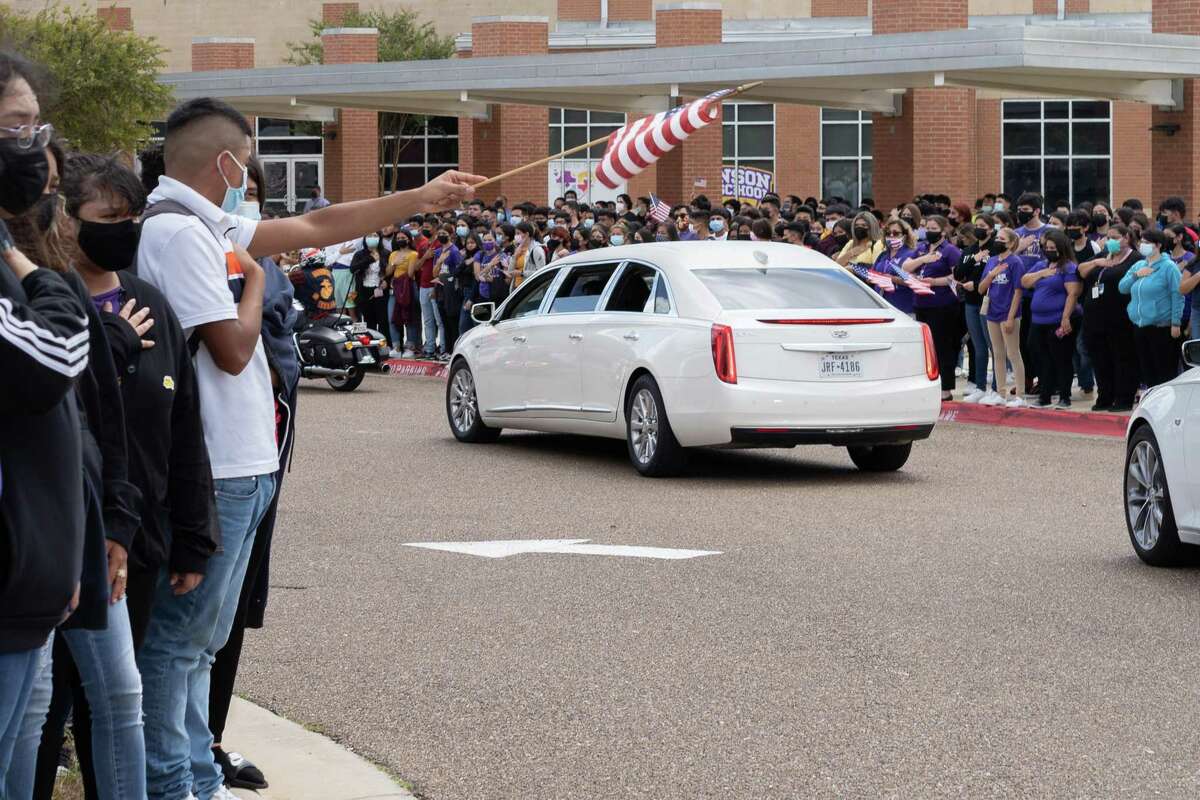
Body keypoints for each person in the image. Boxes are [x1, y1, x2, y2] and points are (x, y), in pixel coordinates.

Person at [135, 97, 480, 800]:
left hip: (245, 463)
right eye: (248, 162)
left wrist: (420, 196)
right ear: (226, 162)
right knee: (178, 644)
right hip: (220, 466)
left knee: (204, 643)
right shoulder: (175, 233)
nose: (250, 179)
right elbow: (232, 351)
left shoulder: (209, 222)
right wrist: (257, 284)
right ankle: (173, 785)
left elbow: (320, 224)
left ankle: (197, 778)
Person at [0, 49, 89, 797]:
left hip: (27, 585)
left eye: (35, 126)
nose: (33, 146)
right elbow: (57, 353)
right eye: (16, 127)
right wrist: (42, 277)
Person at [1078, 224, 1139, 411]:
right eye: (1109, 237)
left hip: (1120, 319)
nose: (1111, 241)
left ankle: (1123, 398)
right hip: (1095, 320)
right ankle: (1105, 396)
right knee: (1100, 359)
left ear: (1127, 238)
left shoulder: (1135, 259)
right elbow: (1080, 270)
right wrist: (1097, 263)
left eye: (1115, 237)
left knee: (1122, 359)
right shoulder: (1103, 256)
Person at [1020, 229, 1083, 409]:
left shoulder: (1069, 267)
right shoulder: (1041, 265)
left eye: (1053, 247)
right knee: (1040, 357)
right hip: (1038, 320)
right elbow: (1024, 281)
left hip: (1058, 320)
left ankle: (1064, 396)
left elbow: (1072, 294)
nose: (1049, 250)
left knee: (1061, 358)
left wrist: (1065, 318)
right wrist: (1042, 274)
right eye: (1046, 247)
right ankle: (1045, 395)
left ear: (1062, 248)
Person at [904, 215, 962, 401]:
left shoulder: (950, 250)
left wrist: (935, 282)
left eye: (933, 228)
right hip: (921, 303)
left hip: (942, 304)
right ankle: (928, 384)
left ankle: (946, 388)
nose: (929, 231)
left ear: (943, 231)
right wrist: (924, 260)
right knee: (924, 348)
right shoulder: (922, 248)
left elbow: (957, 276)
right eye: (927, 227)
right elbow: (906, 266)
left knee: (942, 346)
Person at [1119, 228, 1184, 389]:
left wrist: (1176, 322)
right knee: (1147, 370)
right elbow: (1122, 287)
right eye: (1142, 241)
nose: (1142, 245)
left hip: (1161, 326)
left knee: (1164, 371)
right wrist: (1136, 275)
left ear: (1158, 245)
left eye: (1147, 242)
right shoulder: (1139, 265)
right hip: (1140, 325)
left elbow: (1178, 294)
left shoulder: (1169, 267)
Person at [977, 228, 1027, 407]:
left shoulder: (1015, 262)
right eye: (997, 237)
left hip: (1008, 314)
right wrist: (991, 274)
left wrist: (1011, 317)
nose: (998, 241)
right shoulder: (991, 261)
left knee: (1013, 353)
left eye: (1002, 239)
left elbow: (1018, 291)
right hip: (992, 313)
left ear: (1012, 243)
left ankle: (1020, 395)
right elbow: (981, 289)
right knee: (997, 354)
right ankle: (1001, 393)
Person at [955, 215, 998, 401]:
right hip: (971, 302)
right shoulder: (970, 250)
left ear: (990, 229)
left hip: (988, 301)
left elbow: (996, 271)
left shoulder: (996, 247)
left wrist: (977, 282)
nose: (978, 229)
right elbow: (958, 272)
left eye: (982, 226)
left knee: (993, 346)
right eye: (976, 225)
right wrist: (973, 259)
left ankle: (997, 386)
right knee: (978, 346)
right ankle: (979, 386)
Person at [874, 218, 919, 317]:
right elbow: (872, 274)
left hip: (903, 308)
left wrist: (892, 279)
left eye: (896, 233)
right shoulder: (883, 255)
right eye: (888, 233)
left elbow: (915, 281)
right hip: (882, 307)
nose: (891, 236)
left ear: (905, 235)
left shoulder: (911, 255)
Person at [386, 230, 419, 357]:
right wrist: (395, 263)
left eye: (403, 237)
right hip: (394, 289)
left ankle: (410, 347)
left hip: (408, 288)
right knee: (391, 318)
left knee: (409, 317)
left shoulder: (413, 254)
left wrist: (403, 264)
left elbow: (411, 274)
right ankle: (396, 347)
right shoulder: (393, 254)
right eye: (398, 237)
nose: (400, 239)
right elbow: (388, 272)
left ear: (409, 239)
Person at [351, 232, 389, 339]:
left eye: (375, 236)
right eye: (369, 236)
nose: (372, 238)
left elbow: (390, 271)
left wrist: (387, 281)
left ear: (380, 238)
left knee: (383, 320)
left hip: (380, 291)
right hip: (363, 291)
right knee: (368, 321)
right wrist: (370, 259)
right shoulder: (359, 254)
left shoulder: (386, 253)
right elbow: (353, 269)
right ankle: (370, 345)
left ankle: (385, 345)